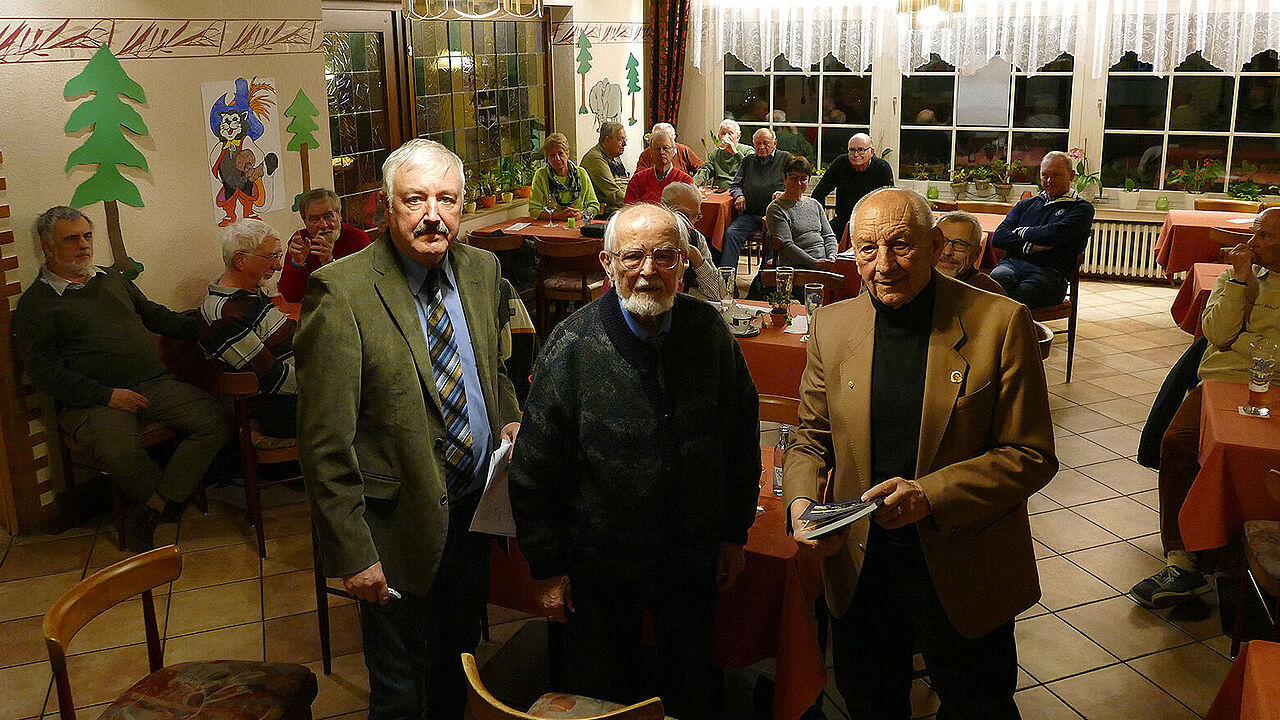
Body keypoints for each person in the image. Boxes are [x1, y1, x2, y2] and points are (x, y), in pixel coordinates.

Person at [783, 187, 1056, 719]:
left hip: (963, 558)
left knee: (979, 705)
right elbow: (809, 437)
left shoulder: (999, 324)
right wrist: (800, 506)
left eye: (900, 245)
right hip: (862, 563)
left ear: (935, 245)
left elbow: (1031, 454)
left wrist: (928, 495)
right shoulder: (833, 327)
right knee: (871, 703)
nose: (882, 265)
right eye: (866, 249)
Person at [296, 139, 522, 720]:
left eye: (446, 199)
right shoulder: (341, 292)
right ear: (384, 207)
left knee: (458, 670)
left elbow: (491, 368)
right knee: (399, 692)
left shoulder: (482, 269)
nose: (432, 214)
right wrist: (352, 551)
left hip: (472, 515)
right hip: (395, 532)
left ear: (462, 205)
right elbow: (324, 442)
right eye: (415, 198)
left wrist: (510, 416)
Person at [509, 202, 760, 720]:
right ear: (607, 263)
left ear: (686, 263)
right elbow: (533, 469)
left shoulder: (709, 333)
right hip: (599, 569)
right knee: (602, 699)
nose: (648, 270)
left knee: (691, 691)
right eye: (633, 256)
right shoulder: (573, 344)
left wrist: (734, 533)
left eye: (665, 256)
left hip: (692, 563)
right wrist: (547, 566)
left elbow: (740, 439)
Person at [14, 206, 230, 551]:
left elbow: (156, 317)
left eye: (87, 236)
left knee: (218, 418)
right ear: (48, 246)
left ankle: (155, 506)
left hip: (152, 383)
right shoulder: (36, 306)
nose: (83, 245)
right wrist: (106, 396)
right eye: (72, 239)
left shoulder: (111, 279)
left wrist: (212, 329)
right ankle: (165, 500)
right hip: (93, 402)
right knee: (120, 452)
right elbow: (45, 373)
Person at [1131, 207, 1280, 609]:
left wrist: (1242, 344)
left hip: (1276, 389)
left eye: (1265, 236)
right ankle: (1181, 561)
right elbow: (1216, 332)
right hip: (1220, 381)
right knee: (1178, 443)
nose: (1251, 244)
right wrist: (1240, 280)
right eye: (1254, 233)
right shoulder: (1236, 275)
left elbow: (1254, 349)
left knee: (1254, 459)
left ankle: (1232, 548)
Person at [197, 218, 298, 438]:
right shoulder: (223, 315)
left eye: (278, 256)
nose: (278, 265)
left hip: (298, 387)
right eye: (271, 256)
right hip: (277, 407)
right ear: (240, 260)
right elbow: (274, 379)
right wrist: (329, 379)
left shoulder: (249, 292)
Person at [990, 151, 1094, 307]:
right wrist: (1029, 246)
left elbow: (1056, 234)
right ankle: (1011, 329)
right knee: (996, 281)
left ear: (1071, 175)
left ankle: (1014, 329)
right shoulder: (1026, 204)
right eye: (1045, 175)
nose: (1049, 180)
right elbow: (998, 237)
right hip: (1011, 265)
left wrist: (1021, 231)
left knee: (1020, 296)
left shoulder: (1082, 209)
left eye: (1057, 175)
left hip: (1051, 273)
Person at [278, 188, 372, 303]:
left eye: (328, 216)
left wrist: (329, 262)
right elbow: (289, 296)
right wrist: (297, 263)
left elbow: (361, 292)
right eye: (314, 219)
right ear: (305, 222)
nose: (323, 224)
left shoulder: (358, 239)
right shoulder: (301, 241)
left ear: (339, 215)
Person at [723, 129, 791, 271]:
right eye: (757, 144)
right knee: (731, 233)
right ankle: (726, 280)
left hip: (775, 216)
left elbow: (796, 185)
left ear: (775, 143)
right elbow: (735, 185)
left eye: (766, 143)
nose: (761, 147)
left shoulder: (785, 159)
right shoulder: (748, 161)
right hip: (751, 214)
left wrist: (784, 193)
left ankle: (764, 280)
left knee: (774, 238)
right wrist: (739, 195)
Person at [810, 133, 895, 242]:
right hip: (844, 221)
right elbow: (818, 193)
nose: (856, 154)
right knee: (820, 241)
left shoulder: (882, 168)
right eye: (852, 150)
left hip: (873, 224)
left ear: (871, 152)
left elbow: (890, 202)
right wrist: (821, 222)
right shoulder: (841, 163)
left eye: (861, 150)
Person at [764, 155, 837, 270]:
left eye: (803, 179)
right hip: (797, 268)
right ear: (784, 177)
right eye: (793, 178)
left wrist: (832, 257)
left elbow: (829, 236)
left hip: (824, 264)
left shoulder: (815, 204)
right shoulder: (776, 209)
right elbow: (788, 246)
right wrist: (815, 263)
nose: (798, 183)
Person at [662, 181, 729, 302]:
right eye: (683, 215)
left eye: (695, 216)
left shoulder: (696, 238)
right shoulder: (649, 238)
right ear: (664, 209)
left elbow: (719, 293)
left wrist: (696, 256)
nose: (689, 223)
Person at [530, 132, 600, 223]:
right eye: (552, 155)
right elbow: (534, 210)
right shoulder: (541, 175)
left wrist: (582, 214)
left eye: (560, 154)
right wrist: (559, 216)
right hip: (552, 227)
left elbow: (594, 205)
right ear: (547, 157)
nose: (557, 158)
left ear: (567, 154)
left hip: (579, 225)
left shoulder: (581, 173)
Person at [935, 211, 1005, 295]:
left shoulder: (990, 293)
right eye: (942, 241)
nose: (947, 252)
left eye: (960, 244)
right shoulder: (917, 280)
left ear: (977, 253)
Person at [623, 126, 694, 205]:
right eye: (657, 148)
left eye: (666, 148)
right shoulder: (638, 180)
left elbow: (690, 212)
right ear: (650, 153)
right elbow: (628, 210)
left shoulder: (684, 181)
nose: (661, 152)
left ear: (673, 152)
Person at [580, 121, 630, 217]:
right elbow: (613, 195)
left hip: (621, 209)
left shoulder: (615, 157)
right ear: (607, 140)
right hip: (606, 214)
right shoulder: (595, 158)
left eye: (625, 139)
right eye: (621, 139)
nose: (625, 144)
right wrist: (637, 203)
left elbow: (626, 185)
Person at [693, 118, 752, 190]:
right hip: (719, 192)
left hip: (740, 192)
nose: (726, 137)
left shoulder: (748, 151)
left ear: (738, 137)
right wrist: (693, 184)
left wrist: (735, 152)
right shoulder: (715, 154)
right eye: (723, 133)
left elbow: (751, 169)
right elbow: (706, 170)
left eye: (730, 133)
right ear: (719, 137)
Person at [634, 122, 704, 175]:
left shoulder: (684, 150)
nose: (661, 152)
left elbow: (703, 168)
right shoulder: (646, 154)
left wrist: (695, 182)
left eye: (666, 146)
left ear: (673, 139)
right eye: (657, 147)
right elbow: (638, 178)